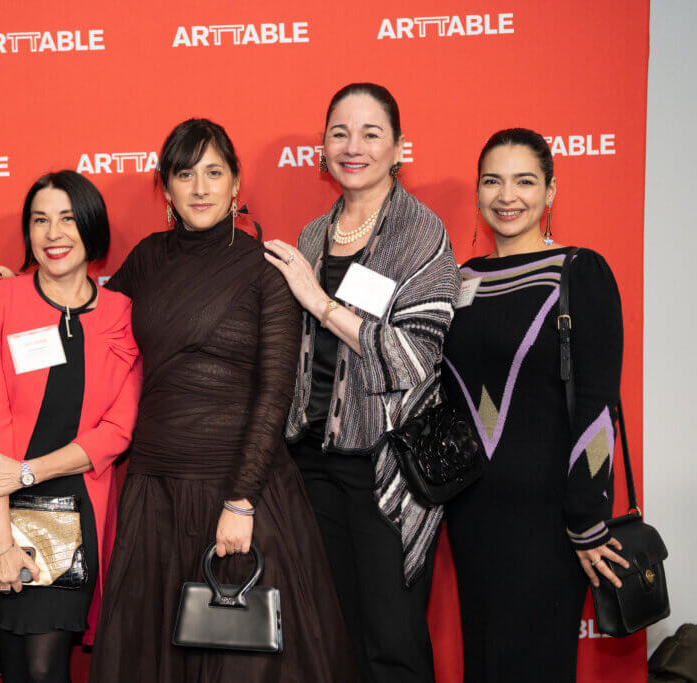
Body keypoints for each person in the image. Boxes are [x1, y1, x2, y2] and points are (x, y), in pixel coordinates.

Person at [85, 118, 356, 682]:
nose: (201, 188)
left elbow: (274, 390)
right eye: (186, 174)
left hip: (238, 491)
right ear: (166, 187)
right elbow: (89, 323)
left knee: (240, 663)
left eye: (214, 173)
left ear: (236, 184)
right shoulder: (147, 259)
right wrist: (14, 285)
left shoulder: (265, 268)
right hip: (155, 492)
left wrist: (241, 501)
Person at [264, 83, 461, 683]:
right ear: (323, 146)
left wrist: (321, 303)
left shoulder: (421, 236)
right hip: (313, 464)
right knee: (336, 638)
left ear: (399, 148)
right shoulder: (309, 238)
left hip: (386, 470)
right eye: (340, 133)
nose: (354, 147)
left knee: (392, 641)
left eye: (371, 134)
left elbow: (415, 358)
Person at [440, 128, 628, 682]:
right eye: (493, 181)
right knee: (487, 660)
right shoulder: (459, 282)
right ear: (477, 193)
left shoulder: (580, 272)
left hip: (549, 519)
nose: (507, 196)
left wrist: (587, 519)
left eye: (525, 181)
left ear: (550, 192)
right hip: (473, 513)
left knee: (537, 665)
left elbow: (598, 406)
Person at [0, 170, 142, 683]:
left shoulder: (123, 314)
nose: (53, 233)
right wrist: (0, 540)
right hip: (3, 515)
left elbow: (116, 432)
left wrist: (27, 472)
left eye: (67, 219)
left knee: (44, 669)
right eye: (40, 220)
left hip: (75, 509)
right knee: (18, 667)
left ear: (92, 228)